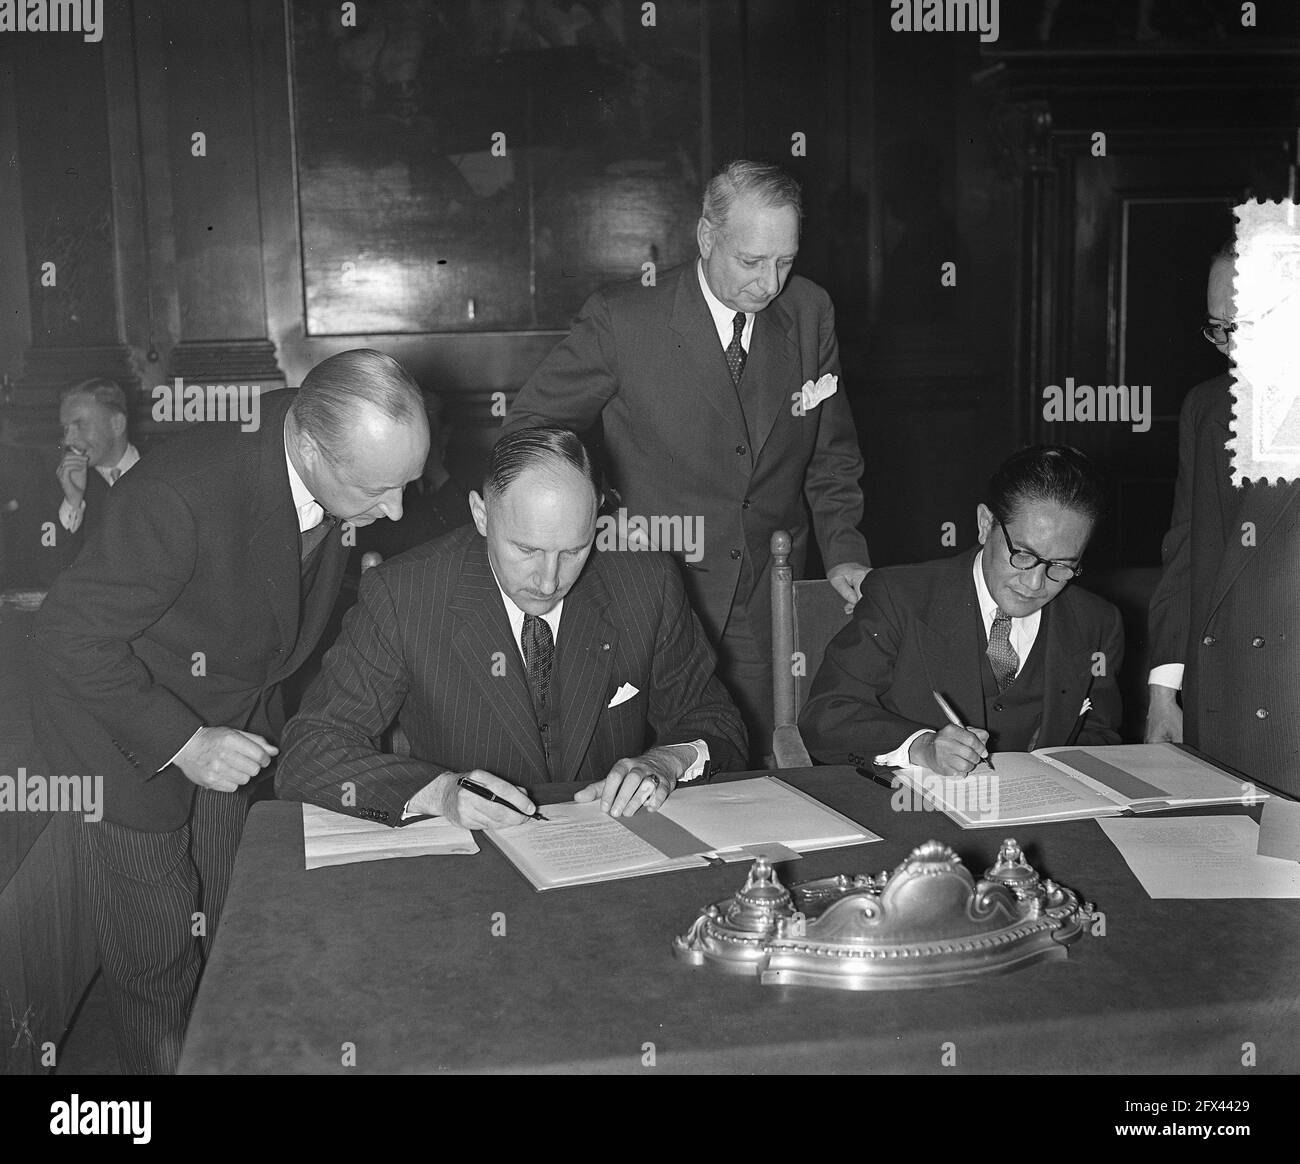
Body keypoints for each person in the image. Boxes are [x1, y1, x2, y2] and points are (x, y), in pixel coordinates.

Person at [33, 348, 430, 1073]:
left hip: (229, 718)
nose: (396, 510)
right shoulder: (182, 493)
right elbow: (66, 635)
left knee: (237, 915)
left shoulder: (325, 449)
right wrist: (183, 743)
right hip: (121, 735)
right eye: (379, 489)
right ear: (309, 451)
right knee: (156, 959)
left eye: (406, 483)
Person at [504, 160, 870, 760]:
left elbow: (831, 457)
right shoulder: (623, 320)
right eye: (751, 262)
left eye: (785, 262)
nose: (768, 284)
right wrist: (589, 512)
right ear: (706, 237)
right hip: (645, 595)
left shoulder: (810, 312)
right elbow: (529, 433)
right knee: (634, 771)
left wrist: (845, 553)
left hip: (762, 596)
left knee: (750, 771)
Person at [276, 426, 748, 828]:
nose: (548, 580)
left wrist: (666, 761)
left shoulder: (646, 583)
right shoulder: (406, 596)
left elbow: (717, 724)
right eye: (526, 550)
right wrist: (438, 793)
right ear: (482, 515)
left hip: (611, 854)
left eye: (573, 551)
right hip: (473, 864)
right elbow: (310, 751)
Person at [800, 446, 1123, 776]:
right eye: (1023, 555)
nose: (1036, 582)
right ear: (985, 524)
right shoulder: (899, 596)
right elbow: (825, 717)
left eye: (1061, 566)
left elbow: (1099, 735)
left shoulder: (1097, 623)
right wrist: (920, 747)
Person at [1145, 245, 1300, 796]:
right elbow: (1185, 553)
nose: (1233, 350)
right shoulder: (1207, 408)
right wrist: (1164, 691)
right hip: (1219, 708)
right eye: (1220, 330)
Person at [53, 378, 140, 569]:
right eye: (66, 428)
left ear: (117, 424)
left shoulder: (163, 470)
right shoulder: (62, 484)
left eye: (80, 425)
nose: (68, 440)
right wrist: (73, 502)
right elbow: (52, 574)